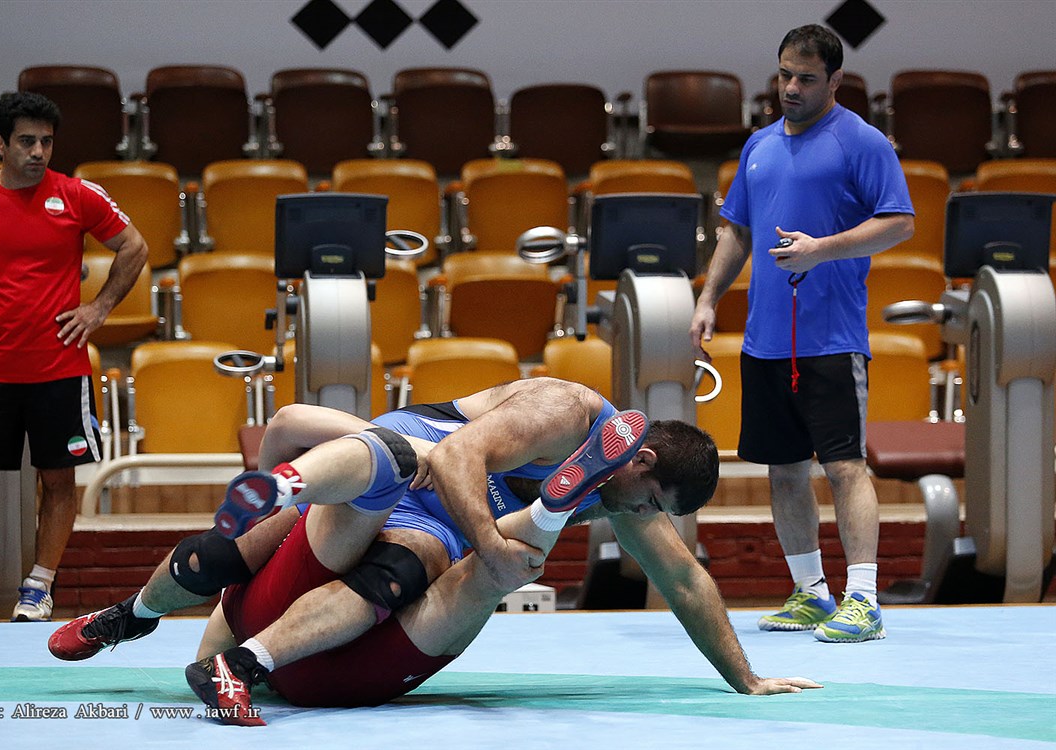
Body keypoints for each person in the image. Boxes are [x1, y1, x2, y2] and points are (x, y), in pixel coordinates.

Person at [50, 378, 819, 725]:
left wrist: (745, 678)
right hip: (417, 463)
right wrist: (490, 546)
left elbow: (684, 579)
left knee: (403, 567)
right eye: (651, 504)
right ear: (642, 461)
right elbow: (458, 458)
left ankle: (244, 639)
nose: (645, 519)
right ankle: (132, 614)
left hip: (437, 525)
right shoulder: (568, 412)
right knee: (235, 553)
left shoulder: (617, 481)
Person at [690, 24, 915, 643]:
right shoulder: (759, 145)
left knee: (844, 468)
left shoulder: (861, 141)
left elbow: (899, 223)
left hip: (832, 340)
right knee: (784, 470)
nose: (791, 87)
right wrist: (708, 299)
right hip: (765, 341)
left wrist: (822, 250)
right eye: (785, 74)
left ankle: (863, 601)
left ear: (835, 80)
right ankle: (811, 593)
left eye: (806, 78)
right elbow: (738, 231)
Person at [0, 91, 148, 623]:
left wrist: (99, 308)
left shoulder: (77, 195)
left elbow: (135, 247)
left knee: (58, 481)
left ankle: (39, 587)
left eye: (47, 142)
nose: (38, 152)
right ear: (1, 143)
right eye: (26, 141)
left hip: (60, 369)